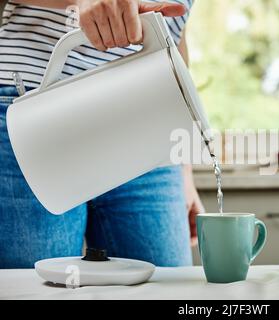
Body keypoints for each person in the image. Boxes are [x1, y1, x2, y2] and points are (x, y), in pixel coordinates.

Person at [0, 0, 204, 268]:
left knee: (165, 284)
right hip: (38, 111)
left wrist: (183, 169)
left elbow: (174, 33)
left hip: (150, 119)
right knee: (38, 287)